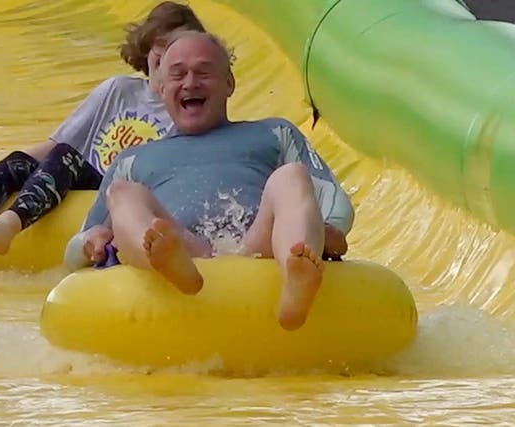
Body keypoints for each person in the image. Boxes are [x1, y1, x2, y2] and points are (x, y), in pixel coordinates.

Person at [66, 31, 355, 331]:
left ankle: (297, 274)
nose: (190, 83)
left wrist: (327, 231)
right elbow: (74, 249)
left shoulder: (273, 133)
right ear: (161, 89)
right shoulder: (133, 159)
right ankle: (166, 262)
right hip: (182, 246)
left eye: (204, 72)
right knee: (122, 193)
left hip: (257, 246)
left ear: (229, 84)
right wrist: (91, 241)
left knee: (291, 176)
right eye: (178, 75)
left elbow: (335, 202)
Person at [0, 2, 206, 265]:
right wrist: (0, 168)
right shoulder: (118, 90)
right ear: (147, 50)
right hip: (72, 174)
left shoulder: (185, 109)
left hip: (112, 192)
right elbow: (57, 143)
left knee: (66, 157)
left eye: (179, 52)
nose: (170, 58)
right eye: (162, 48)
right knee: (20, 161)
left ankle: (10, 225)